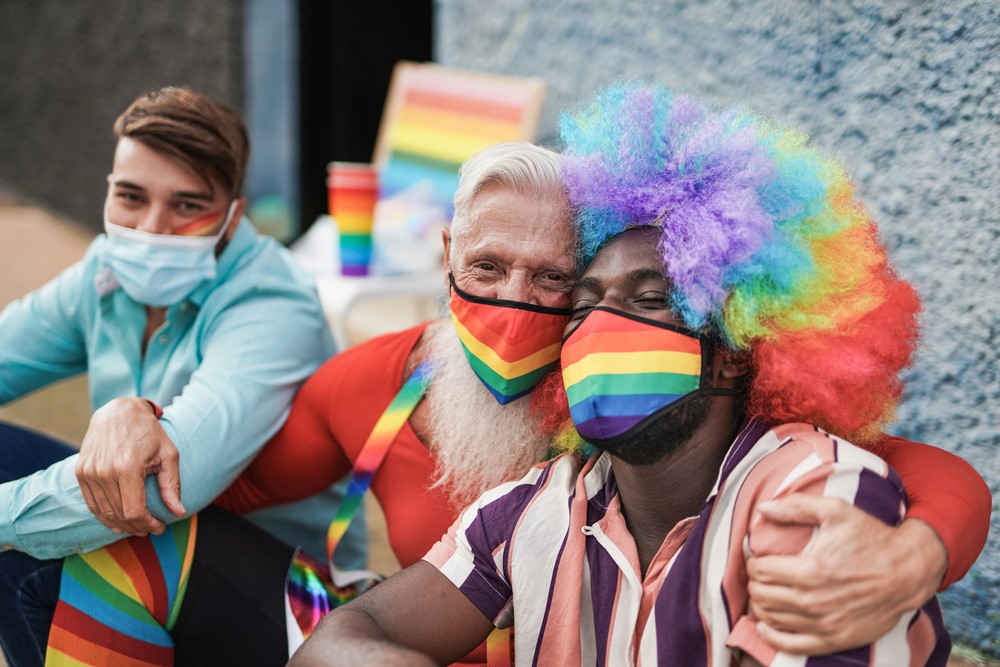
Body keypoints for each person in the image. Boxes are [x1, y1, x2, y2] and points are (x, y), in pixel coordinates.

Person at [25, 138, 989, 665]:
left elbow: (893, 467)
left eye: (553, 278)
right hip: (405, 631)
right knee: (117, 544)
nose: (520, 305)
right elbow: (209, 497)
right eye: (489, 266)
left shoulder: (666, 418)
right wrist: (141, 417)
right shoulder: (388, 384)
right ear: (445, 259)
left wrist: (916, 548)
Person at [289, 83, 961, 666]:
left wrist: (922, 550)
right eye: (584, 301)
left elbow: (911, 470)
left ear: (735, 344)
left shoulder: (805, 499)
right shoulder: (533, 507)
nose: (600, 328)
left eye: (650, 299)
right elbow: (343, 633)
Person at [0, 86, 367, 666]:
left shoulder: (272, 302)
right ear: (108, 192)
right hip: (161, 543)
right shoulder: (104, 272)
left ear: (232, 217)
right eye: (131, 196)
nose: (151, 229)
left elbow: (164, 488)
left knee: (43, 545)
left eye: (187, 205)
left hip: (286, 588)